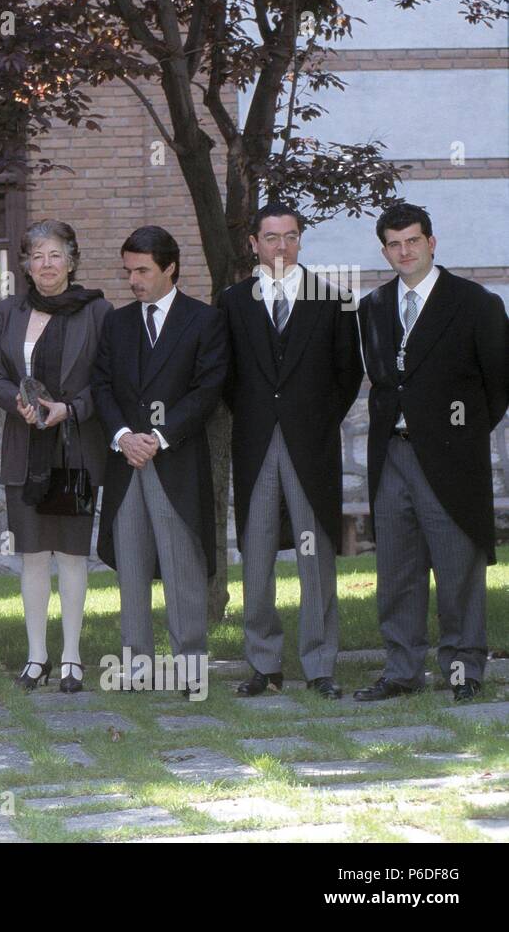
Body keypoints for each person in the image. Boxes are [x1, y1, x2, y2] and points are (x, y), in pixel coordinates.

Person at [354, 203, 507, 703]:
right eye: (394, 244)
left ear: (431, 242)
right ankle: (402, 671)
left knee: (457, 569)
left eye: (413, 241)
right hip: (391, 456)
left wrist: (459, 434)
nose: (405, 251)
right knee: (397, 571)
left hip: (450, 455)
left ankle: (463, 671)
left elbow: (498, 384)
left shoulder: (475, 303)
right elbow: (384, 383)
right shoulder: (373, 307)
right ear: (384, 251)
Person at [219, 203, 363, 700]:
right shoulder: (232, 302)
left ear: (300, 240)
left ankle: (320, 665)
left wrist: (315, 420)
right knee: (256, 554)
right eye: (272, 237)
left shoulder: (334, 299)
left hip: (312, 445)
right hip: (256, 443)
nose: (282, 246)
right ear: (253, 244)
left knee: (314, 555)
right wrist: (256, 415)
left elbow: (347, 374)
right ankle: (264, 664)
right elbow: (226, 375)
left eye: (291, 236)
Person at [91, 227, 228, 696]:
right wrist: (123, 436)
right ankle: (136, 667)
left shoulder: (205, 321)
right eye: (128, 271)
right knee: (131, 570)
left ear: (170, 268)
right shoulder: (117, 323)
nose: (133, 280)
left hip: (176, 462)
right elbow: (101, 385)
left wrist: (159, 437)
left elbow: (208, 389)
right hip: (126, 463)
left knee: (182, 569)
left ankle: (190, 669)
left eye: (143, 270)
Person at [0, 220, 111, 693]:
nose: (46, 264)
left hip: (74, 448)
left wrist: (71, 409)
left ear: (72, 260)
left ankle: (72, 658)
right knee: (34, 555)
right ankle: (36, 657)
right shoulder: (9, 311)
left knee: (73, 555)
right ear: (25, 265)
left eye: (55, 255)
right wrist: (15, 402)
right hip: (26, 449)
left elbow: (106, 379)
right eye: (37, 256)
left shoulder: (97, 311)